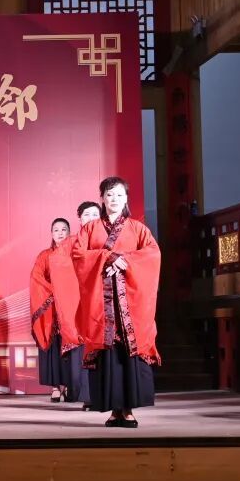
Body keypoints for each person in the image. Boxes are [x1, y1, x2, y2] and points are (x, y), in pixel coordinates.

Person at [73, 176, 161, 427]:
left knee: (128, 353)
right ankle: (114, 411)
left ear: (126, 198)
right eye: (110, 194)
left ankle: (129, 410)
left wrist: (126, 261)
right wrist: (107, 258)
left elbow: (152, 254)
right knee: (108, 355)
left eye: (120, 194)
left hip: (130, 304)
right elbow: (79, 255)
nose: (114, 199)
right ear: (102, 198)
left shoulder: (137, 228)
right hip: (102, 305)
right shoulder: (90, 229)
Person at [30, 218, 88, 404]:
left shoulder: (75, 254)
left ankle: (70, 384)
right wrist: (55, 291)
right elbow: (36, 277)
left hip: (71, 307)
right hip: (52, 308)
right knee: (54, 346)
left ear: (69, 232)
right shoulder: (45, 255)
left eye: (64, 229)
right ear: (51, 233)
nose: (60, 233)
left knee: (71, 347)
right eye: (56, 230)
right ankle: (55, 386)